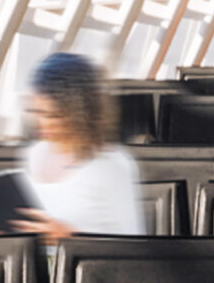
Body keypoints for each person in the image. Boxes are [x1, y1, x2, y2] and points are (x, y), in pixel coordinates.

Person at [17, 51, 145, 238]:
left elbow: (133, 247)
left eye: (54, 115)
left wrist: (70, 239)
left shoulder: (111, 165)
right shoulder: (35, 154)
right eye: (38, 113)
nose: (42, 123)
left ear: (79, 114)